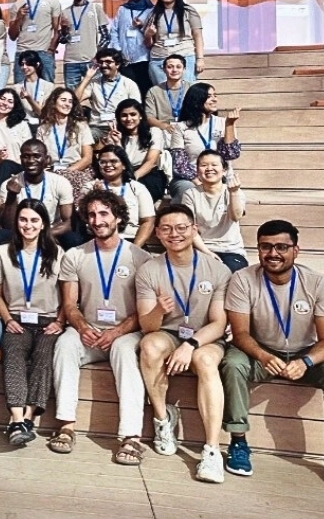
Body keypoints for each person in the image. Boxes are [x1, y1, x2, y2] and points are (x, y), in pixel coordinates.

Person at [221, 220, 324, 489]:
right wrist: (262, 356)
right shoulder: (243, 279)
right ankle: (238, 442)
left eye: (282, 247)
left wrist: (305, 361)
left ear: (296, 250)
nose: (273, 253)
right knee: (232, 363)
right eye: (266, 247)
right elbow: (240, 334)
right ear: (258, 249)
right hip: (260, 349)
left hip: (306, 352)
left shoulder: (318, 283)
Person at [50, 189, 152, 464]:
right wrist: (82, 327)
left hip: (127, 332)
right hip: (90, 330)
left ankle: (131, 437)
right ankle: (67, 426)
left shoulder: (140, 257)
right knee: (66, 343)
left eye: (104, 213)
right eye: (92, 215)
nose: (97, 220)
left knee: (122, 350)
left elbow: (145, 311)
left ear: (118, 217)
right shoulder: (74, 255)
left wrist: (118, 331)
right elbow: (70, 305)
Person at [136, 204, 232, 483]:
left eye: (181, 227)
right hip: (168, 332)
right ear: (157, 233)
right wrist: (158, 311)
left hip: (204, 336)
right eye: (166, 229)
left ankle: (212, 450)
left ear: (194, 230)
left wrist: (190, 345)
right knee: (150, 346)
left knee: (204, 360)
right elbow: (147, 326)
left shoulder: (217, 269)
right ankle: (163, 419)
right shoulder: (149, 270)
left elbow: (218, 323)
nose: (174, 234)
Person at [0, 199, 63, 446]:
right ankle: (16, 417)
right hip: (17, 320)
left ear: (43, 223)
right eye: (23, 219)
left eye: (34, 220)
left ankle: (25, 418)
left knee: (44, 355)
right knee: (12, 353)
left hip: (47, 320)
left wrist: (60, 321)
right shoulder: (1, 253)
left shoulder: (57, 253)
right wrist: (8, 319)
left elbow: (68, 295)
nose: (28, 225)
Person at [0, 139, 78, 249]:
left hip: (50, 232)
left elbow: (68, 223)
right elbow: (7, 225)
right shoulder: (8, 184)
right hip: (22, 231)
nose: (31, 160)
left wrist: (43, 235)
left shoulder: (60, 182)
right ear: (21, 159)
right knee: (0, 236)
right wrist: (11, 196)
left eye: (36, 156)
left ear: (46, 159)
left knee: (73, 238)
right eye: (26, 156)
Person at [169, 82, 241, 201]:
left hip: (218, 176)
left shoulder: (223, 123)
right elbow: (180, 164)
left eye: (215, 95)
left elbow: (231, 155)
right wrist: (199, 183)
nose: (214, 100)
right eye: (209, 96)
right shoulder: (181, 127)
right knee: (190, 191)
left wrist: (229, 125)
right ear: (196, 99)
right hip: (189, 178)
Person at [182, 150, 248, 272]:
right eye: (203, 165)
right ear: (197, 171)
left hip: (231, 250)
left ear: (224, 170)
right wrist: (207, 252)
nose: (209, 168)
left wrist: (233, 193)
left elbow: (236, 217)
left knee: (229, 272)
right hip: (201, 248)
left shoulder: (233, 192)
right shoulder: (190, 194)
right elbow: (190, 229)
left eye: (214, 165)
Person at [103, 99, 169, 201]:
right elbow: (120, 164)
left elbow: (151, 161)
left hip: (148, 174)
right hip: (122, 174)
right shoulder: (116, 136)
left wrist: (133, 178)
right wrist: (117, 143)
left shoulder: (154, 132)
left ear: (140, 116)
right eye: (124, 115)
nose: (129, 118)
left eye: (133, 114)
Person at [34, 87, 94, 196]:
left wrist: (66, 172)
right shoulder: (42, 129)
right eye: (63, 100)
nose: (67, 104)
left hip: (76, 171)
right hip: (51, 171)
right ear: (53, 102)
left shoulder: (81, 126)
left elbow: (87, 158)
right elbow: (39, 157)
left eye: (70, 101)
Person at [91, 145, 155, 246]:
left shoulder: (137, 188)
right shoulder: (91, 187)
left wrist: (135, 248)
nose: (108, 165)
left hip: (130, 240)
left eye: (113, 161)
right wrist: (97, 195)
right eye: (103, 162)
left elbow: (148, 221)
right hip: (100, 241)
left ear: (124, 165)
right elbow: (84, 219)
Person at [146, 0, 204, 84]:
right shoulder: (153, 14)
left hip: (184, 56)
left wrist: (200, 59)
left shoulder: (188, 11)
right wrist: (148, 35)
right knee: (163, 96)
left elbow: (198, 35)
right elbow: (148, 44)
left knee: (186, 94)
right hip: (159, 59)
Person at [75, 47, 142, 141]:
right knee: (83, 138)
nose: (103, 65)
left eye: (108, 62)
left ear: (117, 64)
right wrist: (87, 78)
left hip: (121, 126)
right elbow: (74, 100)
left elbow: (137, 109)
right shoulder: (94, 83)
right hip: (97, 127)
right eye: (101, 62)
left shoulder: (129, 84)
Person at [9, 0, 61, 83]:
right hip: (23, 52)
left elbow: (57, 29)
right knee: (20, 90)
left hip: (44, 52)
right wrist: (18, 18)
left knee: (47, 90)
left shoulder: (52, 1)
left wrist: (51, 49)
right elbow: (12, 36)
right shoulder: (17, 5)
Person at [61, 0, 111, 91]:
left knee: (97, 94)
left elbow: (106, 36)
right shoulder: (65, 12)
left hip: (91, 61)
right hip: (70, 62)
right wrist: (64, 30)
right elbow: (64, 40)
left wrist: (98, 56)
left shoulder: (95, 8)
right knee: (72, 98)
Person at [0, 88, 32, 192]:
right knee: (3, 166)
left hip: (20, 169)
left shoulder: (22, 125)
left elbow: (28, 153)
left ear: (14, 106)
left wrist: (6, 162)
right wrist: (0, 160)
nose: (5, 103)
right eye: (2, 99)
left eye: (10, 101)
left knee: (6, 165)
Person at [111, 0, 155, 95]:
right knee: (129, 93)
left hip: (144, 58)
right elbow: (114, 30)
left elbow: (154, 34)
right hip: (126, 60)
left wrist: (141, 26)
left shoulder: (152, 10)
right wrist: (118, 51)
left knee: (145, 91)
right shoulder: (123, 9)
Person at [143, 55, 191, 127]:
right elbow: (149, 117)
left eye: (178, 67)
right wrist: (164, 126)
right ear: (164, 70)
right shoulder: (153, 91)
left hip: (188, 127)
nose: (174, 70)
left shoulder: (192, 88)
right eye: (170, 67)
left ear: (184, 69)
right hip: (163, 128)